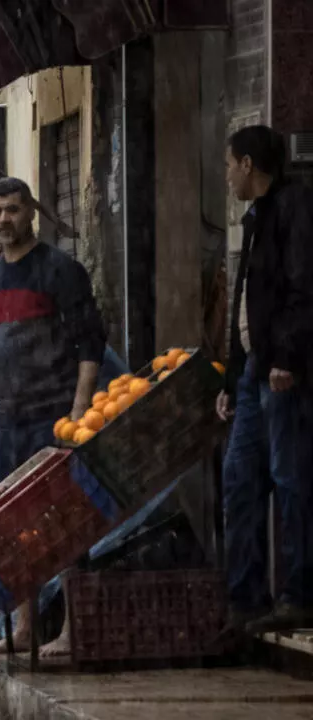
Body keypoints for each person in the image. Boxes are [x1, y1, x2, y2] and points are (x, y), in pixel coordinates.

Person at [0, 176, 106, 656]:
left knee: (65, 522)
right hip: (8, 423)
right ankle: (24, 629)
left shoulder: (59, 271)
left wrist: (79, 410)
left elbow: (89, 342)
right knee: (18, 528)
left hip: (53, 417)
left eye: (12, 210)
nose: (4, 221)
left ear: (31, 211)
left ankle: (72, 632)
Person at [217, 125, 313, 635]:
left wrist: (288, 358)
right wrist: (231, 380)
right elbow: (244, 303)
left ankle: (299, 592)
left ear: (249, 164)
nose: (227, 173)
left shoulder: (294, 208)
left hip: (281, 370)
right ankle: (246, 597)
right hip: (255, 371)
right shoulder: (255, 217)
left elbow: (302, 286)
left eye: (230, 163)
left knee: (290, 476)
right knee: (240, 477)